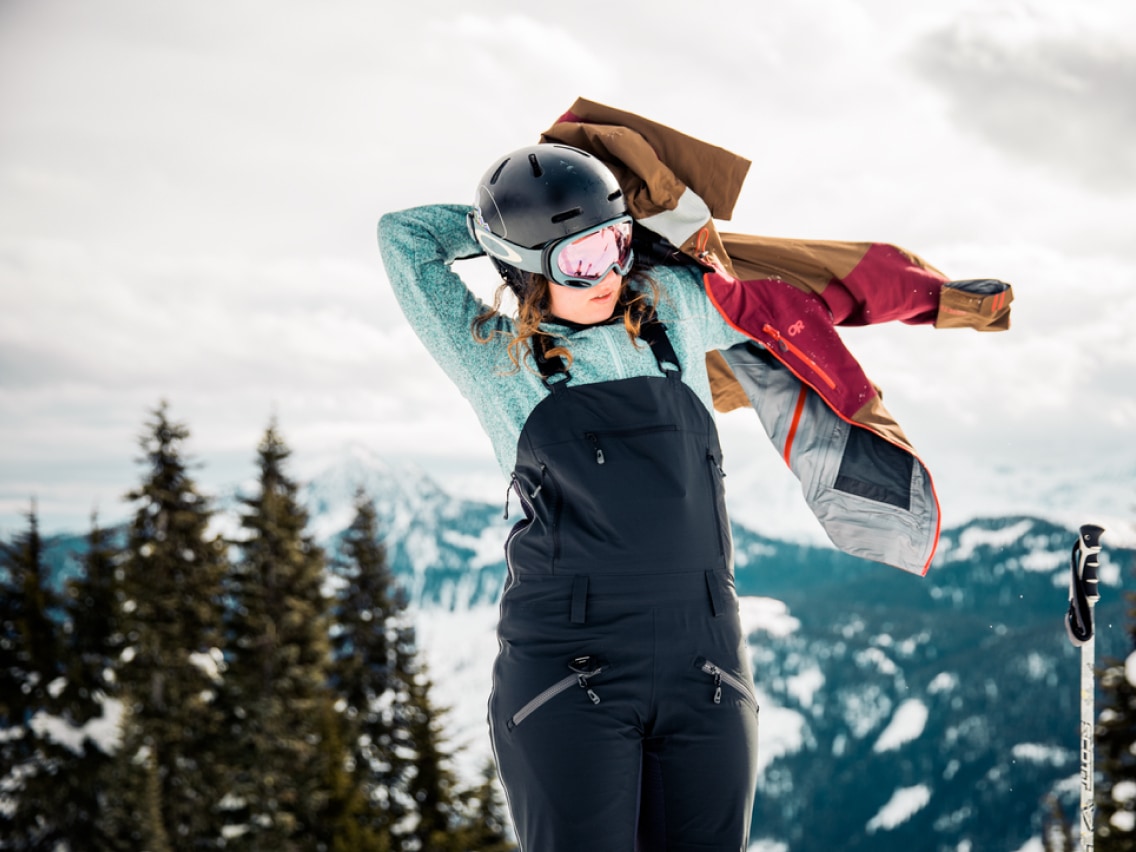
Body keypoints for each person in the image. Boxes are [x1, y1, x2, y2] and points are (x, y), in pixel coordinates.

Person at [379, 143, 761, 851]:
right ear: (526, 264)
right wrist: (499, 227)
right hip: (569, 676)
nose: (608, 272)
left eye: (616, 243)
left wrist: (923, 296)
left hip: (707, 667)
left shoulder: (674, 313)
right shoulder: (498, 361)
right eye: (579, 259)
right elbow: (402, 237)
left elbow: (779, 306)